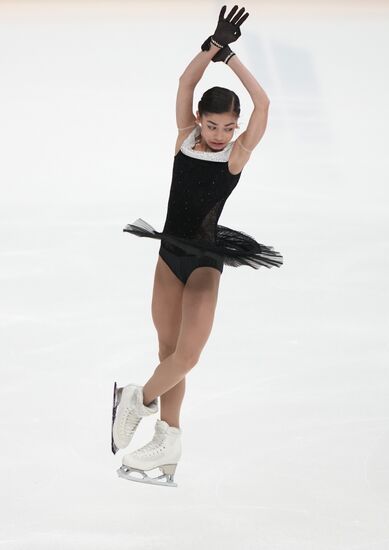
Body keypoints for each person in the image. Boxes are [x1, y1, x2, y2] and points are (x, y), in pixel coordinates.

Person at [112, 5, 283, 487]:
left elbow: (264, 105)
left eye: (228, 127)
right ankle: (167, 446)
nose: (220, 134)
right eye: (213, 125)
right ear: (200, 122)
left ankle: (136, 400)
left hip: (206, 260)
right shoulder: (185, 137)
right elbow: (185, 85)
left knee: (187, 357)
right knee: (167, 349)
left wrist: (230, 59)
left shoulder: (237, 154)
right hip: (168, 253)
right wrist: (209, 47)